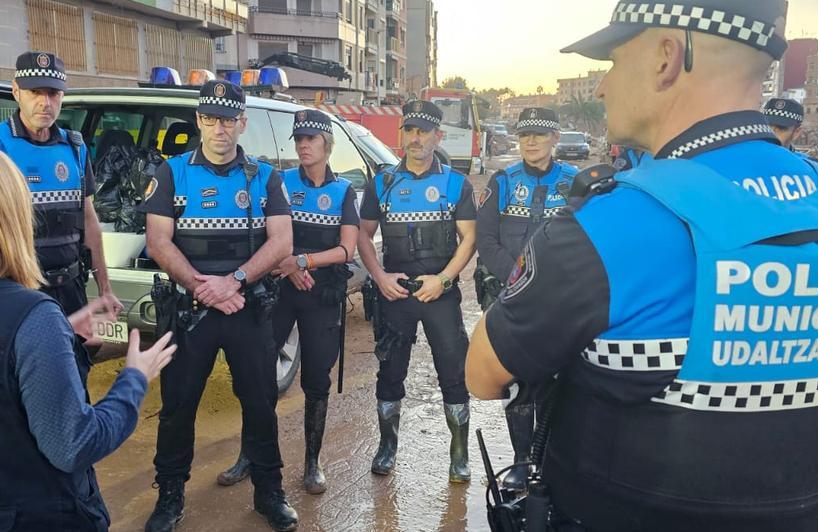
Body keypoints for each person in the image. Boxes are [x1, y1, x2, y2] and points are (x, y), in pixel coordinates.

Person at [465, 0, 818, 530]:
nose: (604, 84)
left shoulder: (616, 222)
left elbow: (483, 375)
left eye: (614, 61)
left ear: (666, 57)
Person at [0, 141, 174, 530]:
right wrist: (134, 379)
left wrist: (57, 332)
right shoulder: (30, 316)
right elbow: (74, 445)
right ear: (10, 212)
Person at [138, 79, 299, 532]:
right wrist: (200, 286)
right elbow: (158, 241)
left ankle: (269, 493)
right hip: (192, 312)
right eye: (210, 119)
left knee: (261, 404)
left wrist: (234, 281)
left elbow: (282, 242)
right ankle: (170, 495)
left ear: (242, 122)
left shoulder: (266, 177)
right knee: (178, 406)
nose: (219, 128)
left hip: (247, 307)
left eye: (228, 120)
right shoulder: (172, 173)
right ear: (199, 121)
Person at [216, 109, 360, 495]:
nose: (303, 146)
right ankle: (250, 455)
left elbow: (347, 249)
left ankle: (312, 462)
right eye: (299, 139)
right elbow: (268, 235)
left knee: (316, 379)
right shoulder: (280, 181)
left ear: (327, 145)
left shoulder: (343, 191)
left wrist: (304, 261)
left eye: (311, 139)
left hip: (322, 294)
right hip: (279, 289)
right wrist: (290, 264)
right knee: (259, 373)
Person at [0, 51, 121, 387]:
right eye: (35, 92)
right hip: (18, 291)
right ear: (16, 92)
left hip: (70, 289)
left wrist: (105, 288)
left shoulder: (75, 148)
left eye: (53, 93)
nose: (45, 102)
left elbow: (89, 221)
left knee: (75, 375)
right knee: (23, 380)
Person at [357, 99, 478, 483]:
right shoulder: (383, 183)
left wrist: (443, 279)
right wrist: (379, 276)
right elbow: (363, 235)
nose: (415, 138)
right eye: (409, 130)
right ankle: (387, 446)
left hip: (440, 294)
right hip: (396, 294)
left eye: (423, 132)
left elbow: (469, 238)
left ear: (437, 136)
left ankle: (459, 453)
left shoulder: (456, 184)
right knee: (390, 371)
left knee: (453, 372)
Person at [474, 107, 578, 490]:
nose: (530, 142)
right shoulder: (503, 181)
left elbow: (589, 237)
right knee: (516, 378)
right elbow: (486, 240)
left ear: (555, 138)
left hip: (560, 299)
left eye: (539, 134)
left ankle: (546, 458)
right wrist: (519, 281)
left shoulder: (575, 182)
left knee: (556, 378)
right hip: (511, 297)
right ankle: (521, 461)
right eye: (524, 135)